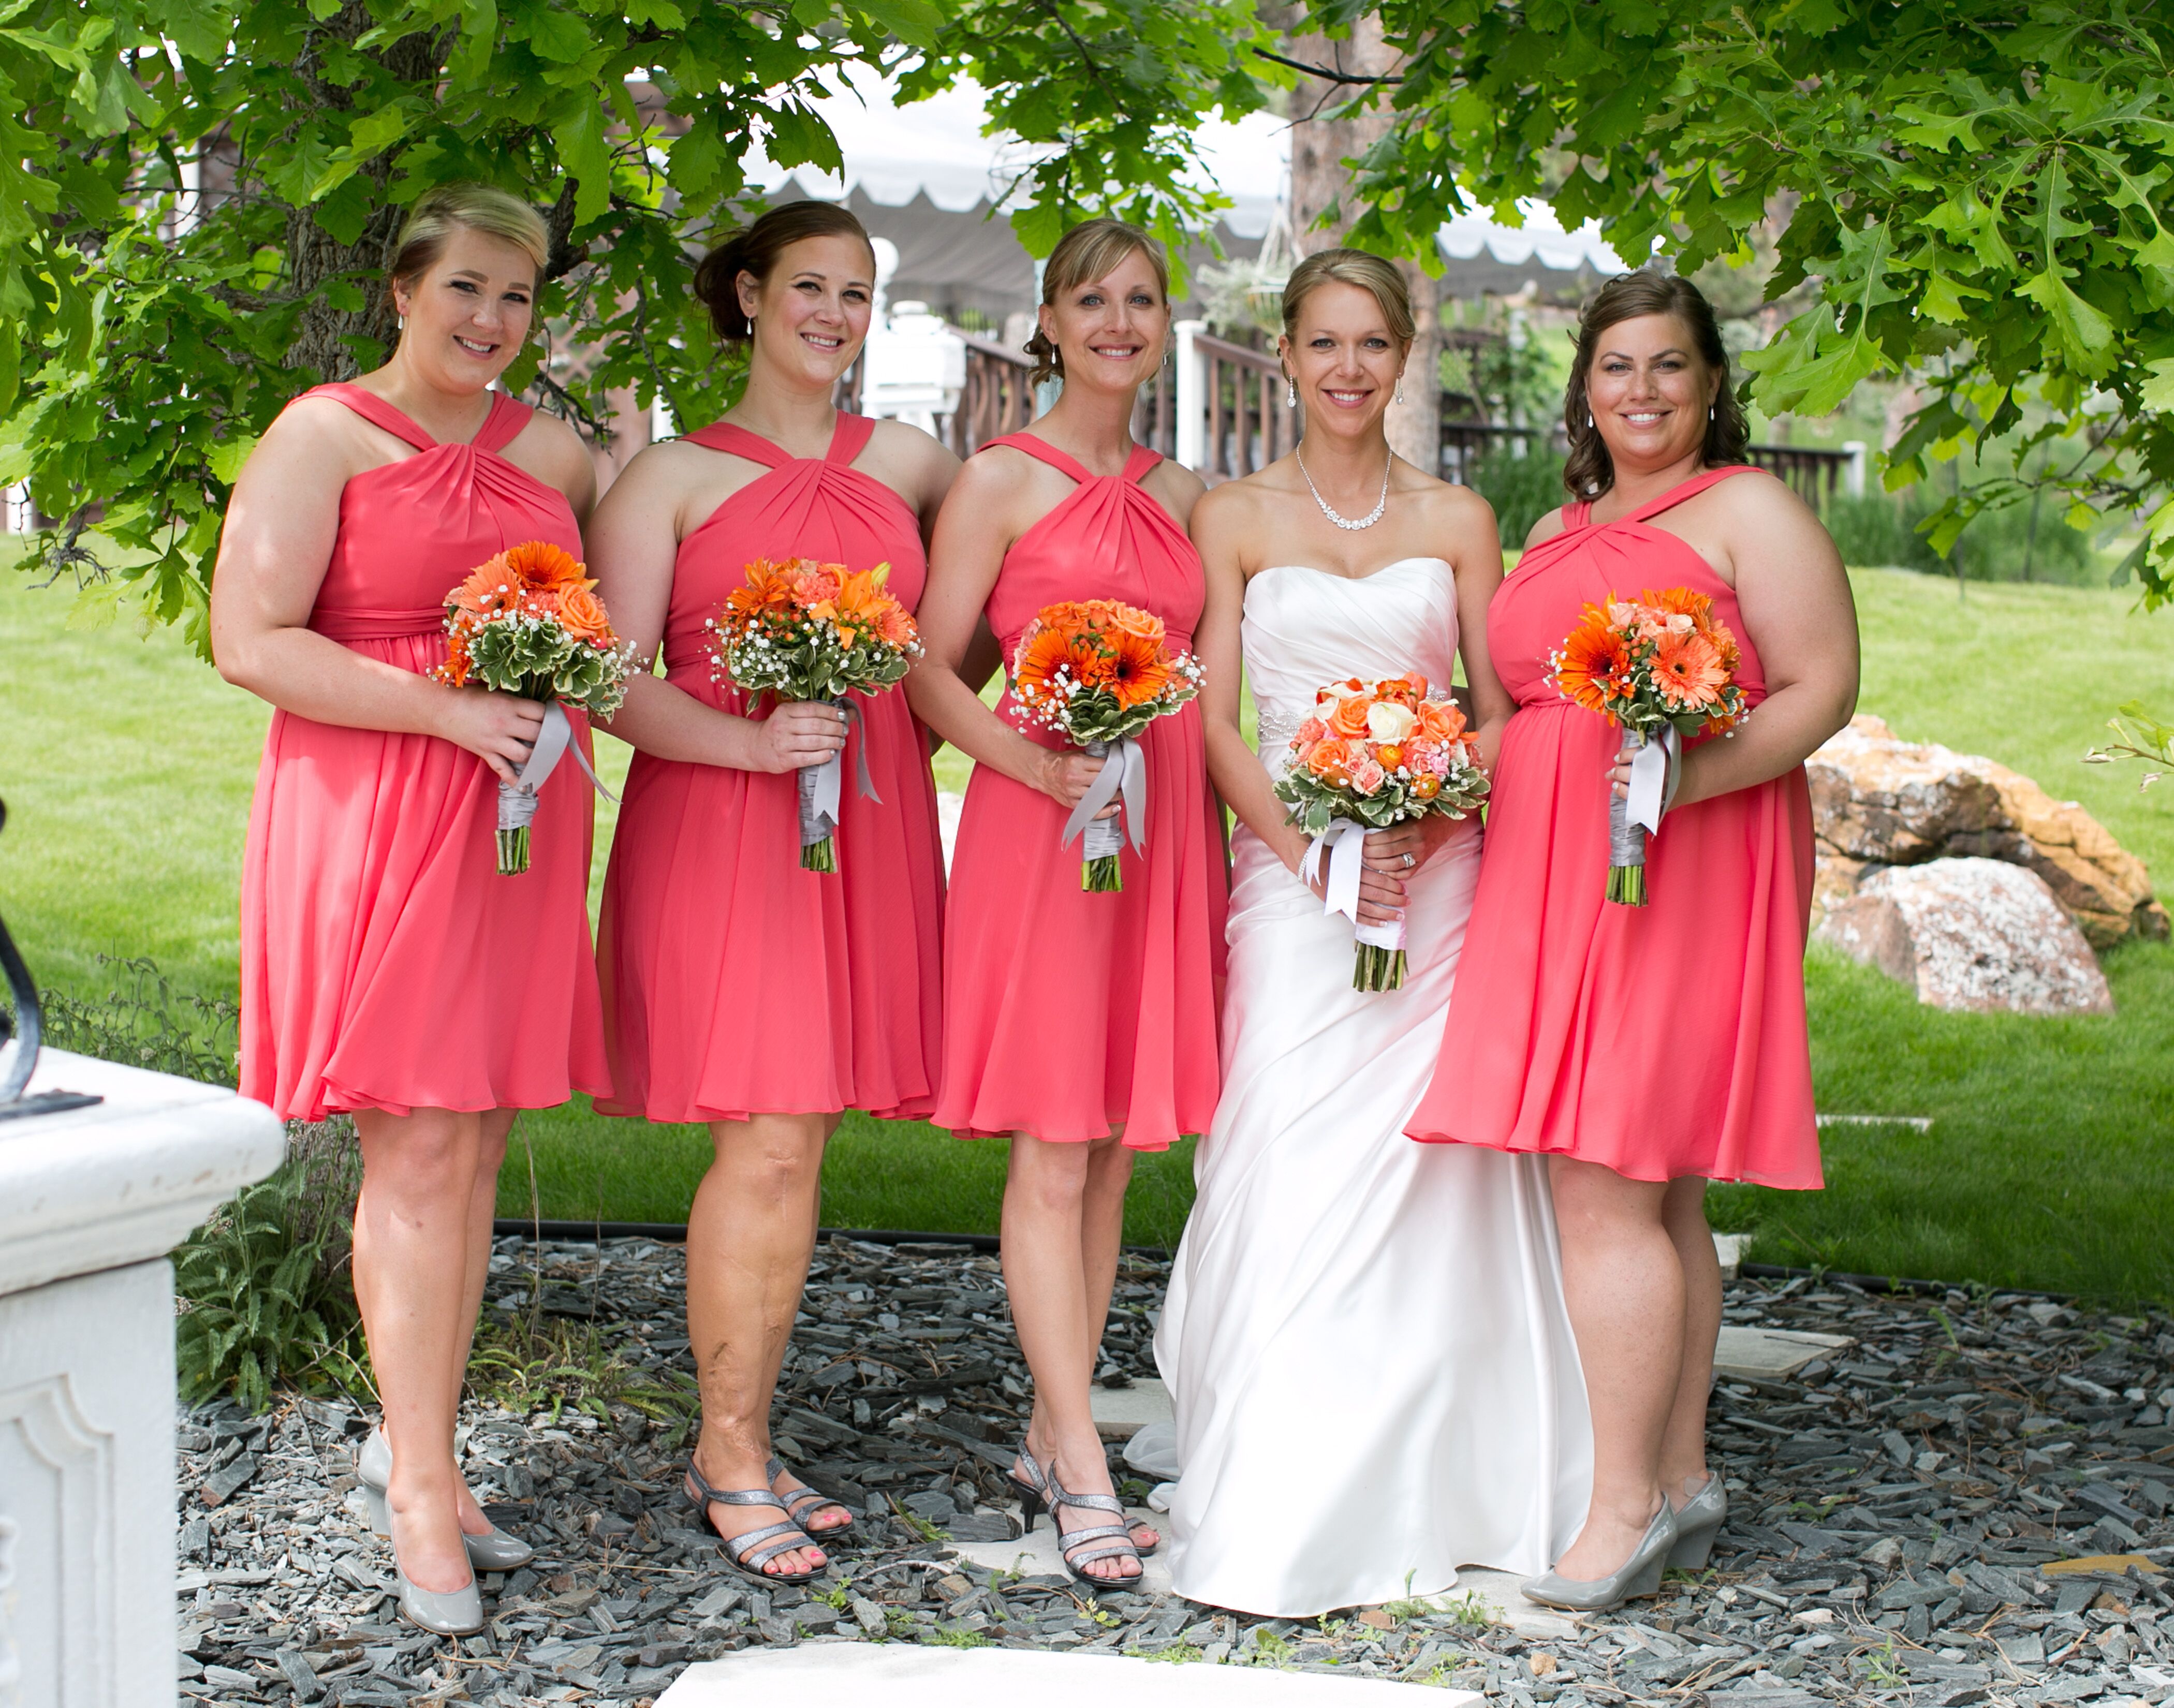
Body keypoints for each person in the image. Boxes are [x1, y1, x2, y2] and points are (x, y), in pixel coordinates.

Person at [1407, 271, 1859, 1611]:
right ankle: (1680, 1473)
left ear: (1713, 384)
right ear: (1585, 391)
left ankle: (1619, 1510)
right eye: (1617, 367)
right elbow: (1545, 712)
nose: (1643, 391)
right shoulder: (1557, 526)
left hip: (1685, 860)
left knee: (1610, 1171)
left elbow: (1823, 684)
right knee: (1650, 1181)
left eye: (1670, 366)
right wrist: (1404, 771)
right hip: (1556, 863)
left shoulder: (1748, 509)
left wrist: (1676, 790)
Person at [1153, 249, 1592, 1617]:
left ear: (1406, 358)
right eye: (1324, 342)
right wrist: (1311, 849)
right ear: (1284, 351)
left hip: (1436, 873)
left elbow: (1500, 702)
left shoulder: (1462, 517)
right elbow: (1214, 721)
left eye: (1374, 345)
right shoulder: (1229, 515)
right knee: (1285, 1145)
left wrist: (1436, 796)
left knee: (1429, 1172)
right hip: (1290, 877)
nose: (1349, 367)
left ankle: (1447, 1484)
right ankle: (1281, 1495)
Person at [213, 184, 607, 1635]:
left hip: (515, 816)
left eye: (516, 297)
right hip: (379, 801)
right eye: (466, 290)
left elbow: (613, 621)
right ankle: (422, 1487)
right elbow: (247, 639)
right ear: (401, 290)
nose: (492, 322)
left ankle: (418, 1434)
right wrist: (444, 708)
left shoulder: (555, 450)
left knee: (478, 1125)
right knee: (422, 1134)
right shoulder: (322, 436)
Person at [585, 201, 958, 1585]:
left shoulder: (917, 463)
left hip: (863, 823)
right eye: (810, 285)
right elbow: (615, 682)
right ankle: (731, 1450)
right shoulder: (668, 478)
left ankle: (740, 1436)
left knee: (798, 1142)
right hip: (724, 821)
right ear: (746, 296)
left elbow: (979, 616)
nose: (835, 315)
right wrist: (750, 737)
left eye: (858, 294)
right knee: (771, 1140)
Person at [906, 218, 1226, 1586]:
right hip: (1040, 827)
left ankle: (1054, 1420)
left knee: (1111, 1146)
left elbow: (1210, 663)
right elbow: (927, 668)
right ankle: (1081, 1458)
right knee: (1050, 1138)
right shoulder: (996, 479)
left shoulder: (1193, 494)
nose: (1116, 320)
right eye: (1089, 299)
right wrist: (1030, 758)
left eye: (1140, 300)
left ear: (1165, 325)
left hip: (1159, 828)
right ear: (1047, 321)